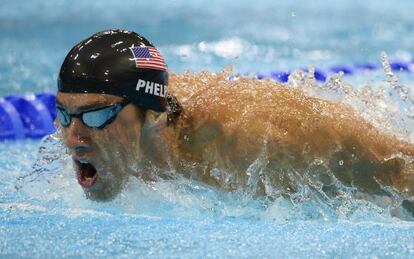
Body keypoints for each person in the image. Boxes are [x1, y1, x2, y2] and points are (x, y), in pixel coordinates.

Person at [56, 29, 414, 201]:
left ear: (154, 115)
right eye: (63, 114)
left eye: (96, 116)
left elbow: (400, 168)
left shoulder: (254, 140)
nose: (73, 139)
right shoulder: (101, 133)